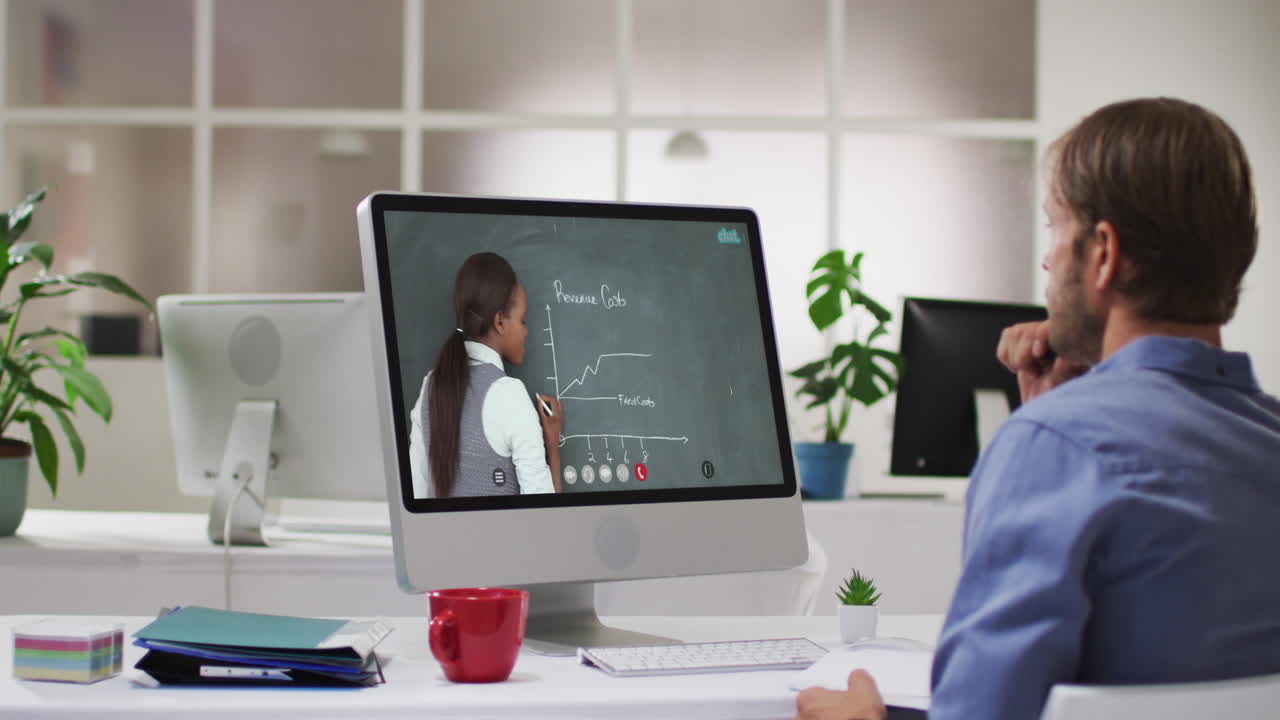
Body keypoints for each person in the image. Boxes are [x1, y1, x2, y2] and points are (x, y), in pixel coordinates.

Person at [796, 97, 1280, 720]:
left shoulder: (1054, 446)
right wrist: (1052, 418)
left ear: (1103, 253)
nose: (1048, 259)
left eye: (1055, 228)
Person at [408, 252, 564, 498]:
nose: (526, 331)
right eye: (522, 320)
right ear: (499, 322)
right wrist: (552, 446)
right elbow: (543, 511)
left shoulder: (430, 385)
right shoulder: (509, 394)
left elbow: (417, 496)